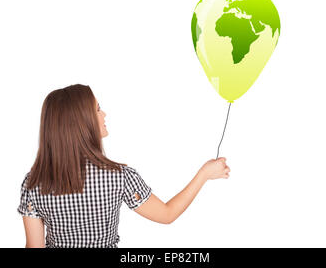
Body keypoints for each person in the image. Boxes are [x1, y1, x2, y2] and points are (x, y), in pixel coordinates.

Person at [17, 84, 231, 248]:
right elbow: (167, 215)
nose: (104, 114)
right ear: (82, 123)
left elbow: (34, 246)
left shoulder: (33, 183)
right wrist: (204, 174)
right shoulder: (119, 177)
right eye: (98, 109)